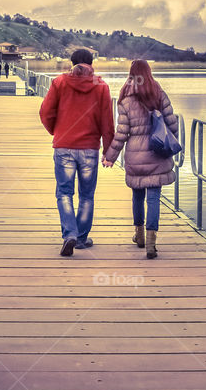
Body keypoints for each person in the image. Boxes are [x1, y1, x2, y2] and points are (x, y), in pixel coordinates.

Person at [39, 49, 114, 256]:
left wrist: (57, 131)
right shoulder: (101, 86)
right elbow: (107, 122)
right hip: (89, 148)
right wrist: (109, 151)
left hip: (64, 146)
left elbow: (45, 112)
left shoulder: (60, 82)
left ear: (71, 63)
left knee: (64, 193)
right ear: (92, 63)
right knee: (87, 196)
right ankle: (80, 238)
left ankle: (69, 234)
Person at [102, 59, 179, 259]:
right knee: (153, 198)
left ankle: (139, 235)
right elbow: (173, 125)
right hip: (157, 152)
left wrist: (110, 156)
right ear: (149, 73)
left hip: (135, 155)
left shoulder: (125, 101)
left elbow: (122, 133)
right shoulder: (159, 95)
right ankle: (151, 243)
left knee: (137, 196)